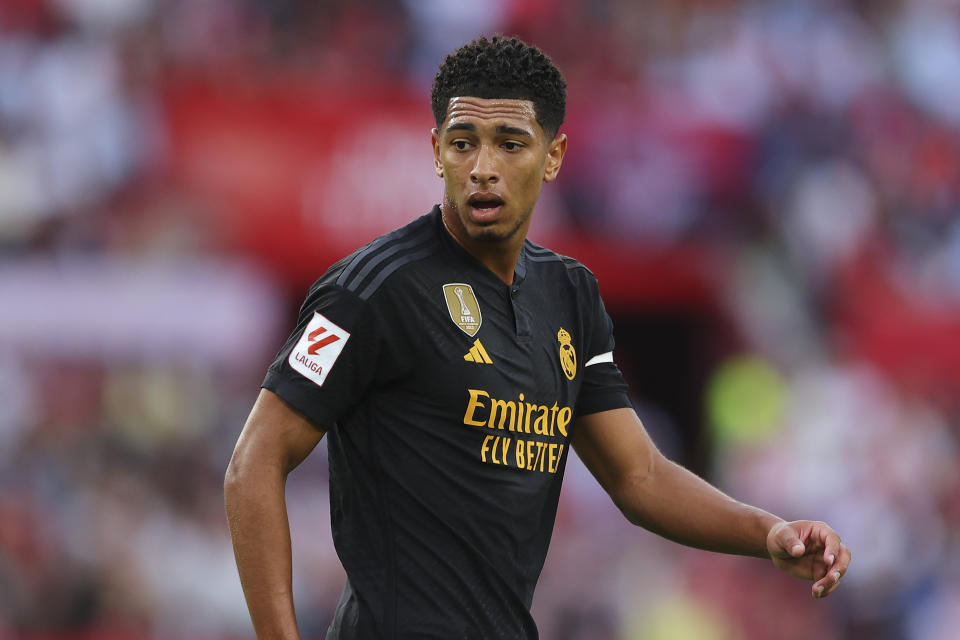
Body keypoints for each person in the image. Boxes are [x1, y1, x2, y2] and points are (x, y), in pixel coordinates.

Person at [224, 35, 851, 640]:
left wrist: (767, 532)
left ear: (553, 156)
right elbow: (254, 461)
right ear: (437, 149)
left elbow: (639, 478)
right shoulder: (369, 291)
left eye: (510, 144)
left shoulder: (570, 294)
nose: (483, 169)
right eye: (463, 143)